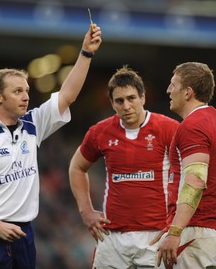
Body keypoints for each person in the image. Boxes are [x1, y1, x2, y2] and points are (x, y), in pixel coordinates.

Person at [0, 24, 102, 269]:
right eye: (17, 91)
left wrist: (86, 53)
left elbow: (67, 96)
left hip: (23, 233)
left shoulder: (33, 125)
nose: (26, 96)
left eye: (27, 91)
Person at [68, 65, 179, 269]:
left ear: (143, 98)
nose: (126, 106)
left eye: (131, 98)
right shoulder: (99, 132)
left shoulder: (168, 128)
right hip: (112, 237)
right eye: (119, 101)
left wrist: (177, 226)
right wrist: (86, 210)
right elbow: (76, 167)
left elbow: (189, 172)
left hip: (156, 236)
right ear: (112, 103)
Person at [156, 62, 216, 269]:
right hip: (212, 234)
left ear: (188, 92)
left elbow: (196, 180)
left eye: (173, 85)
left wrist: (175, 231)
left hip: (195, 233)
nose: (168, 90)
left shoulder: (193, 126)